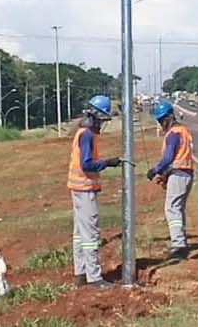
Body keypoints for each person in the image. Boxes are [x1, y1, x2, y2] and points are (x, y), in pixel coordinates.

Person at [69, 94, 123, 287]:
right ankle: (94, 277)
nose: (102, 125)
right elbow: (87, 164)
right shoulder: (87, 135)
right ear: (94, 116)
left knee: (79, 233)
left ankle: (81, 273)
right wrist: (107, 163)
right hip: (84, 189)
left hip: (78, 187)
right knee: (90, 234)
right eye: (102, 120)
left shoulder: (82, 133)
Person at [145, 100, 194, 260]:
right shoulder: (183, 131)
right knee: (178, 209)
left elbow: (168, 157)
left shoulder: (173, 133)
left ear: (170, 117)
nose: (161, 123)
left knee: (172, 209)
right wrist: (165, 175)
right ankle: (181, 241)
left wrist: (155, 170)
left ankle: (178, 244)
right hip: (185, 174)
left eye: (163, 120)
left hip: (179, 174)